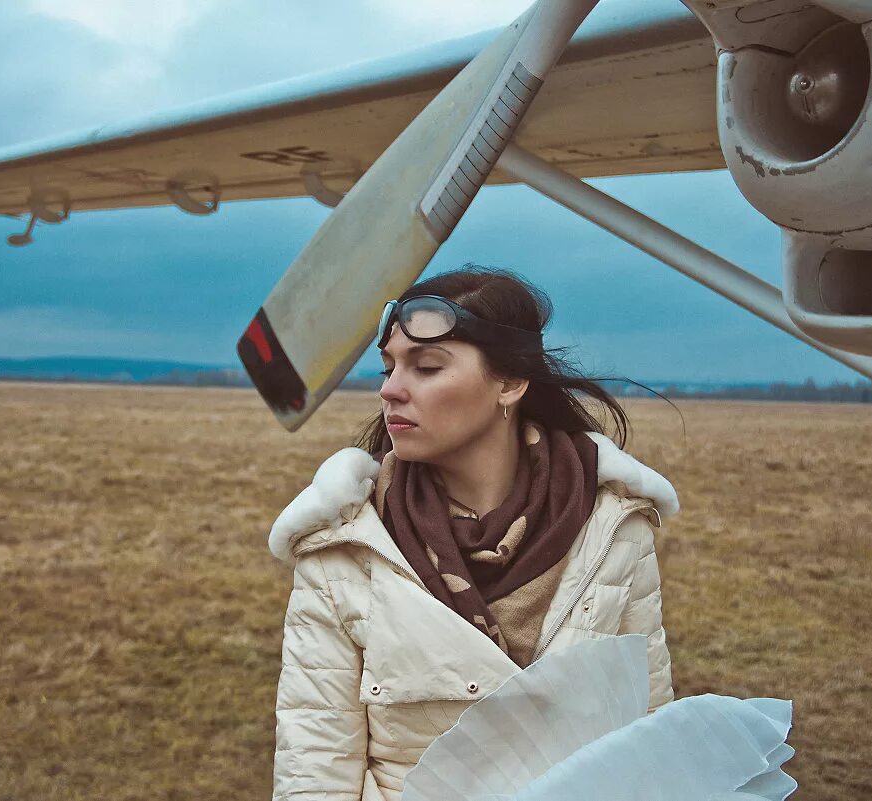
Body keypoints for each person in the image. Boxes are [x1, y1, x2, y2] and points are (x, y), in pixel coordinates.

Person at [267, 266, 678, 801]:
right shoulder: (343, 544)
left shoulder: (613, 527)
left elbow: (649, 739)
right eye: (389, 368)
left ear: (509, 382)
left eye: (428, 367)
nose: (391, 390)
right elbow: (315, 771)